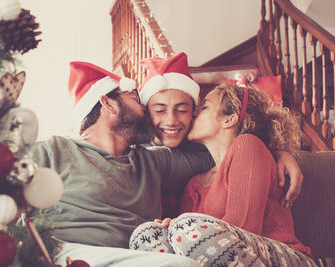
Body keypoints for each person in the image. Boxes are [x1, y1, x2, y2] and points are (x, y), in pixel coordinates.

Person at [27, 61, 215, 267]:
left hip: (134, 256)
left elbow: (209, 154)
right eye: (134, 97)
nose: (145, 108)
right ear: (108, 104)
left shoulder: (152, 161)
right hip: (64, 252)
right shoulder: (54, 150)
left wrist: (177, 128)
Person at [129, 81, 316, 266]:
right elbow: (184, 240)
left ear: (229, 119)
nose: (195, 114)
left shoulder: (248, 145)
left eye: (204, 108)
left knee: (184, 227)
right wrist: (172, 229)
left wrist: (184, 229)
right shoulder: (195, 182)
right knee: (148, 236)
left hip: (283, 257)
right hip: (222, 258)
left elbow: (244, 227)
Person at [138, 52, 304, 209]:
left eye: (182, 110)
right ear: (146, 114)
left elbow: (243, 151)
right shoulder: (135, 150)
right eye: (160, 111)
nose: (171, 121)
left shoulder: (205, 151)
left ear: (193, 113)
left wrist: (279, 153)